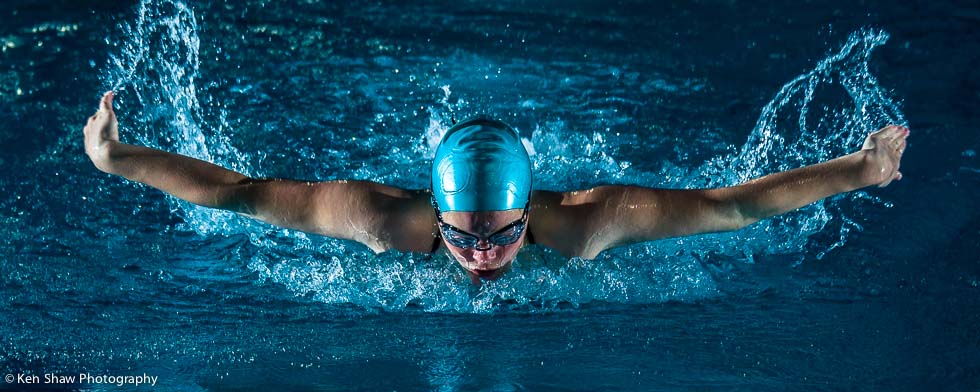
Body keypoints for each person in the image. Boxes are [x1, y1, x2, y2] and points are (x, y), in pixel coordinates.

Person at [83, 91, 909, 281]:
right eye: (463, 234)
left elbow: (732, 206)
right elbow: (240, 193)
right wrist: (118, 161)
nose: (481, 255)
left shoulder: (586, 227)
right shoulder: (382, 221)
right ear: (433, 213)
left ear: (531, 209)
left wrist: (858, 171)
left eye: (502, 233)